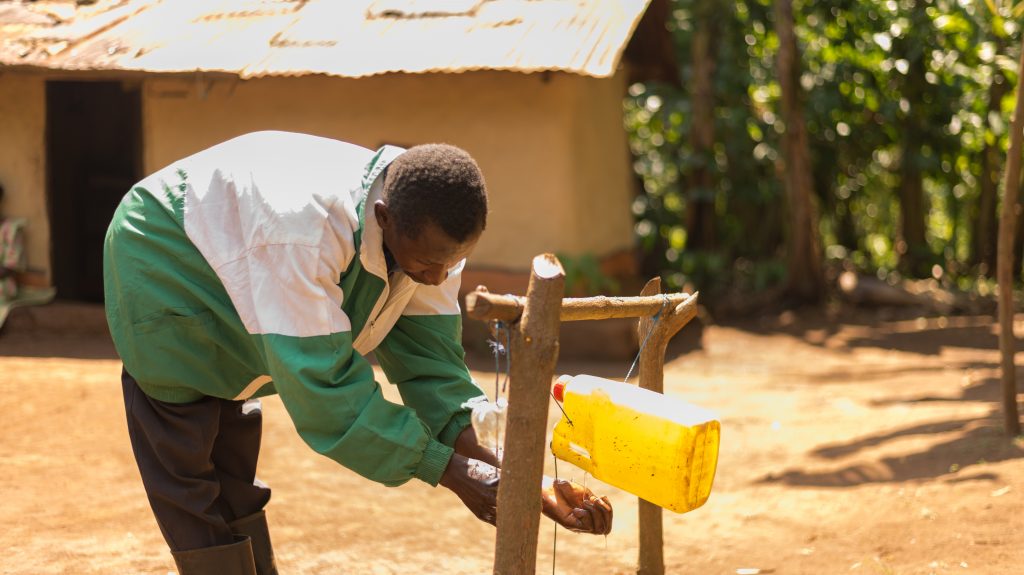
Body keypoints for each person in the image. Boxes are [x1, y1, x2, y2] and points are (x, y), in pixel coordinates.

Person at [103, 131, 612, 575]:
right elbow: (327, 394)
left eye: (452, 263)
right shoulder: (301, 233)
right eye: (428, 264)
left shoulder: (432, 237)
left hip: (244, 247)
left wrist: (527, 483)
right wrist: (450, 472)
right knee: (189, 467)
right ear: (385, 219)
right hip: (163, 258)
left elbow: (434, 377)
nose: (438, 278)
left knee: (234, 470)